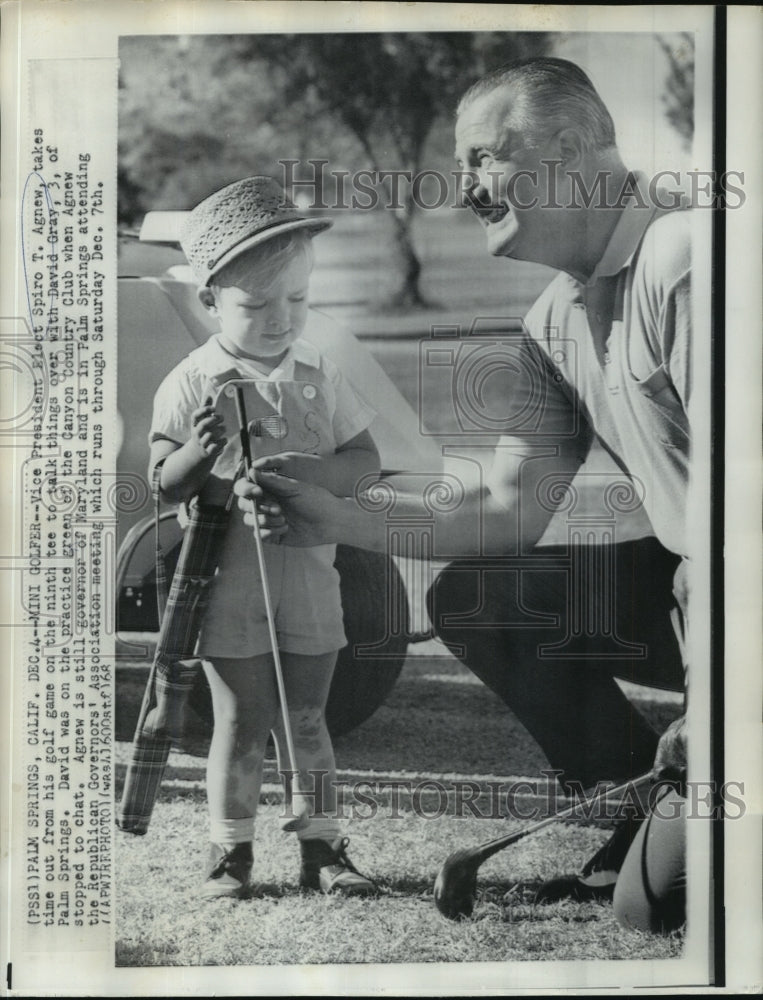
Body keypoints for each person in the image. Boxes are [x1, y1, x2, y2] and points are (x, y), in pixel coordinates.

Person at [238, 58, 694, 932]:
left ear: (567, 148)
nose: (465, 188)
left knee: (658, 909)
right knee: (484, 597)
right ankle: (649, 801)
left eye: (485, 157)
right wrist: (334, 516)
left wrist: (721, 699)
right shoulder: (551, 321)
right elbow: (503, 504)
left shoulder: (688, 259)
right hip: (692, 594)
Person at [149, 176, 380, 900]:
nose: (282, 320)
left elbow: (365, 462)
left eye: (299, 300)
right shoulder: (190, 382)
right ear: (210, 300)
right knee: (241, 720)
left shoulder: (322, 374)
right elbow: (164, 481)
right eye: (256, 305)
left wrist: (319, 470)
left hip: (310, 574)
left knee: (308, 716)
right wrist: (196, 450)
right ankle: (231, 853)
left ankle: (324, 850)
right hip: (226, 580)